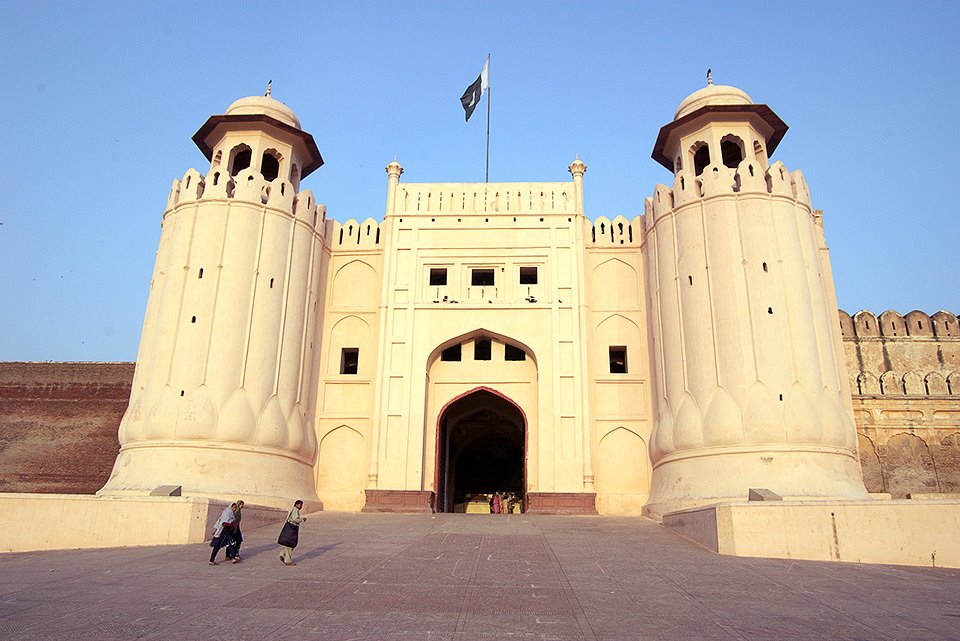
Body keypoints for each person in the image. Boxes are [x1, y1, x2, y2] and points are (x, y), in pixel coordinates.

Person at [277, 499, 306, 566]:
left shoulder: (293, 509)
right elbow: (295, 519)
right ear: (296, 505)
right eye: (299, 505)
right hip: (292, 529)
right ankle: (288, 560)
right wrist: (302, 519)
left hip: (289, 528)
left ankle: (282, 554)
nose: (301, 506)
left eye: (301, 505)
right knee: (290, 545)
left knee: (288, 544)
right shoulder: (295, 510)